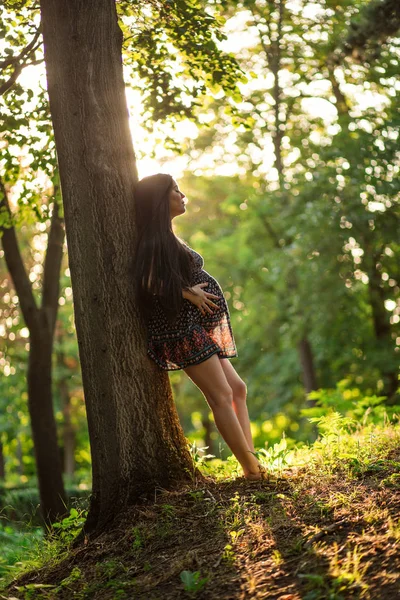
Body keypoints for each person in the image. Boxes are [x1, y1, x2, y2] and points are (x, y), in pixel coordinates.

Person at [133, 173, 267, 481]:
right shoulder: (154, 239)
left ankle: (253, 461)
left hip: (195, 327)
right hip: (180, 331)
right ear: (158, 201)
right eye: (175, 191)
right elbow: (147, 281)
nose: (182, 196)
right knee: (221, 395)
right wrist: (188, 292)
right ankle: (252, 473)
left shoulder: (166, 236)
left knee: (237, 389)